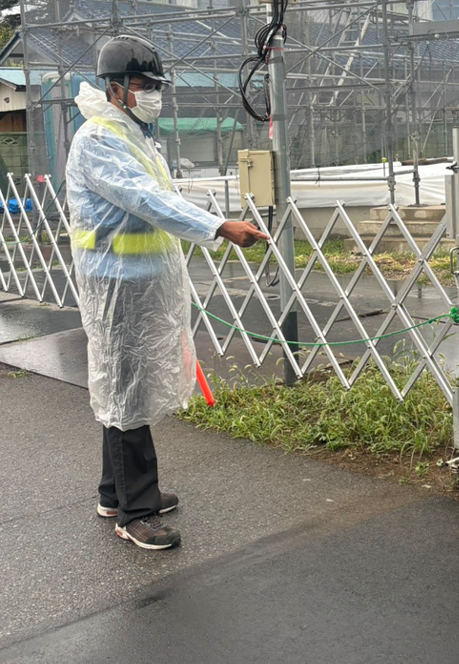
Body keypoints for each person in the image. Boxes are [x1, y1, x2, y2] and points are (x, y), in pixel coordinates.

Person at [66, 35, 268, 551]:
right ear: (115, 89)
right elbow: (146, 199)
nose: (153, 94)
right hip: (117, 285)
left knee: (123, 388)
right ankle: (137, 511)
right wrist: (219, 226)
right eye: (143, 85)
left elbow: (161, 198)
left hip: (139, 284)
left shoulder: (133, 135)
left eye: (155, 86)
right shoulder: (99, 140)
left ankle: (115, 493)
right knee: (125, 392)